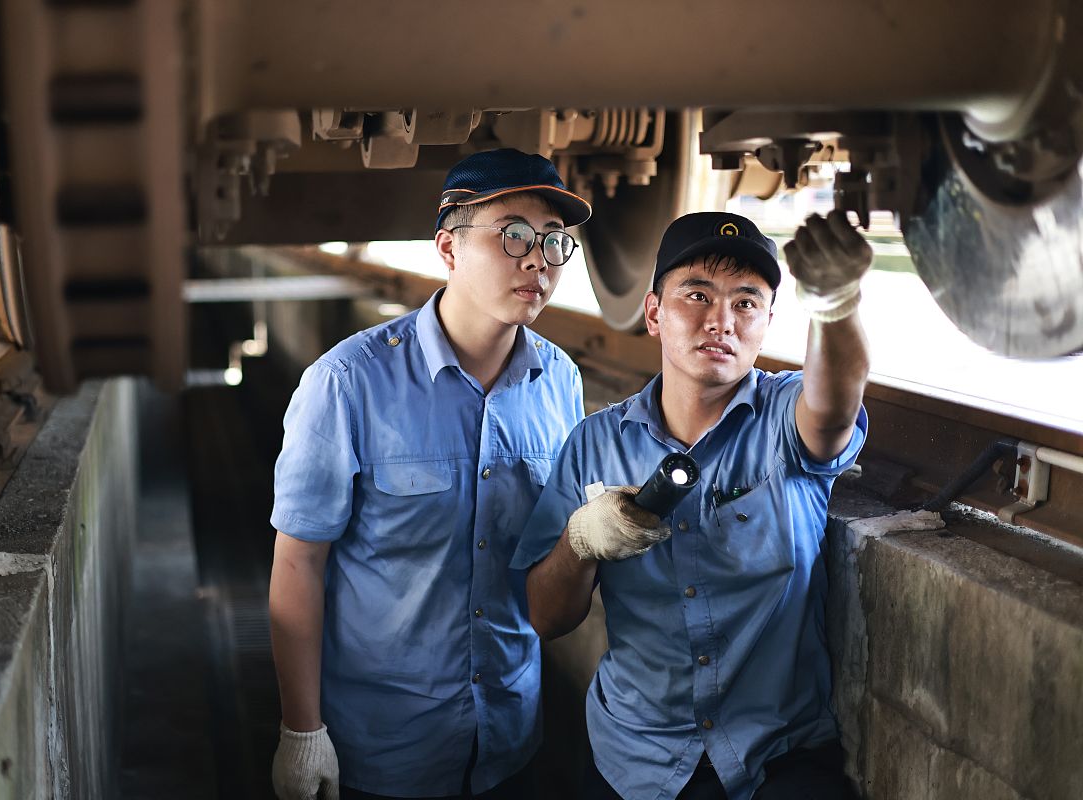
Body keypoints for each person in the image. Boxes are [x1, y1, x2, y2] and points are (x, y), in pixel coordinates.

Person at [514, 210, 872, 800]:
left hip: (776, 757)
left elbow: (833, 409)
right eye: (696, 295)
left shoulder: (786, 418)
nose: (721, 321)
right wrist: (579, 543)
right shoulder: (595, 444)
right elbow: (546, 619)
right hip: (635, 757)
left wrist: (836, 303)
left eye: (747, 303)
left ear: (768, 322)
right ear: (653, 313)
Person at [268, 148, 591, 800]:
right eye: (515, 236)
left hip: (508, 739)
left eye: (556, 242)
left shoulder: (560, 381)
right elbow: (299, 563)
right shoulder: (347, 383)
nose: (539, 260)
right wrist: (302, 731)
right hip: (382, 749)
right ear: (448, 249)